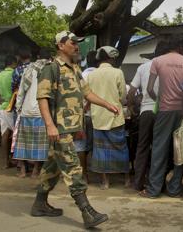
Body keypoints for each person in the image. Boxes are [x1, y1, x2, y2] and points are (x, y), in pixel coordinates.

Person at [31, 31, 119, 229]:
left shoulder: (75, 69)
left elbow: (86, 93)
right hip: (59, 129)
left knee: (51, 169)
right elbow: (42, 98)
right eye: (73, 43)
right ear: (61, 46)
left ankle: (39, 204)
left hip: (69, 128)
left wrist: (107, 104)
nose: (77, 46)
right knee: (73, 169)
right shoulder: (51, 68)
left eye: (77, 43)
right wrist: (50, 125)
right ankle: (87, 212)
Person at [140, 34, 183, 199]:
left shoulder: (157, 61)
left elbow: (149, 89)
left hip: (164, 110)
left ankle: (154, 189)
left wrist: (159, 101)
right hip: (182, 111)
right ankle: (174, 188)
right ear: (181, 46)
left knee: (159, 149)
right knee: (179, 149)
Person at [86, 46, 129, 190]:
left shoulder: (92, 75)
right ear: (112, 58)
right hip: (115, 115)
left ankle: (105, 181)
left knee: (100, 150)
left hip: (98, 117)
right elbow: (122, 96)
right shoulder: (118, 72)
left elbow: (88, 95)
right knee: (120, 147)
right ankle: (126, 178)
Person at [128, 41, 166, 192]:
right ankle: (156, 183)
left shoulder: (142, 67)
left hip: (145, 112)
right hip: (162, 112)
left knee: (142, 147)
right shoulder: (166, 66)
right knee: (159, 148)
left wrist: (131, 108)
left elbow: (131, 91)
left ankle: (138, 183)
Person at [13, 48, 52, 178]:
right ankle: (36, 169)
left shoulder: (28, 69)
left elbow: (21, 91)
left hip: (26, 110)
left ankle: (23, 169)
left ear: (38, 56)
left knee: (23, 142)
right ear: (50, 58)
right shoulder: (50, 69)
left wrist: (19, 108)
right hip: (43, 111)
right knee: (40, 144)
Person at [78, 50, 98, 182]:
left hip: (84, 114)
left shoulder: (82, 75)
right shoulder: (100, 74)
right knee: (96, 144)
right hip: (98, 115)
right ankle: (97, 171)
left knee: (82, 145)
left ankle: (84, 174)